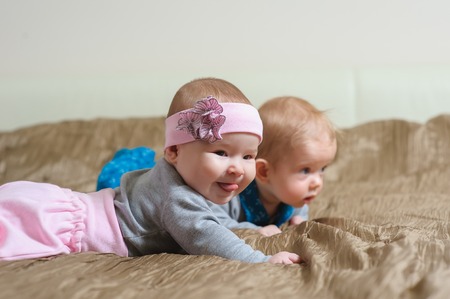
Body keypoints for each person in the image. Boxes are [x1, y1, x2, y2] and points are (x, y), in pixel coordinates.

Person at [0, 78, 300, 264]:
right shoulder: (177, 196)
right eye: (221, 152)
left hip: (75, 205)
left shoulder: (192, 182)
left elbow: (212, 220)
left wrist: (253, 229)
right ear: (173, 152)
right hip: (77, 229)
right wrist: (261, 260)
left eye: (248, 156)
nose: (237, 168)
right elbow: (206, 234)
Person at [208, 96, 338, 236]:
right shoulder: (231, 193)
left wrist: (299, 221)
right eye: (305, 170)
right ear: (264, 172)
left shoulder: (297, 197)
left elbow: (301, 213)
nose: (317, 183)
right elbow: (213, 223)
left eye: (322, 169)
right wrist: (254, 231)